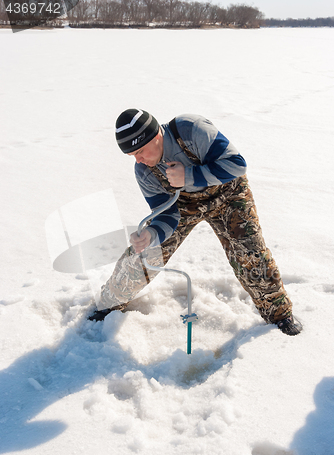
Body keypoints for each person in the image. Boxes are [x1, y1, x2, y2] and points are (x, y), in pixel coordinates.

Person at [89, 109, 302, 336]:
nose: (138, 159)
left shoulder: (191, 129)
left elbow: (237, 164)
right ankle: (108, 305)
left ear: (156, 137)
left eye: (140, 151)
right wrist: (150, 234)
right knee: (144, 255)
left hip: (229, 194)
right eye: (132, 155)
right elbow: (166, 214)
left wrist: (188, 176)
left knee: (250, 254)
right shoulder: (144, 172)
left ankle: (280, 315)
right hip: (182, 206)